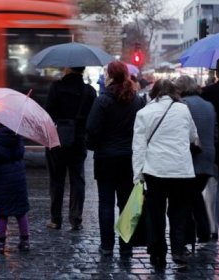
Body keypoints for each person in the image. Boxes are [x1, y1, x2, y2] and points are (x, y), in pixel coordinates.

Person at [132, 79, 198, 268]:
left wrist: (138, 177)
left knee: (155, 213)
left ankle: (157, 253)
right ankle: (178, 250)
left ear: (153, 93)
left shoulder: (143, 113)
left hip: (155, 170)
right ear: (174, 92)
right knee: (179, 213)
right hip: (181, 170)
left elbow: (138, 148)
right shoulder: (183, 109)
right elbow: (193, 135)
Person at [85, 61, 145, 257]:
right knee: (126, 204)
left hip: (106, 158)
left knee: (106, 203)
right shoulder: (136, 100)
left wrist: (94, 145)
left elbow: (92, 129)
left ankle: (107, 246)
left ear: (110, 76)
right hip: (128, 158)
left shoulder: (103, 100)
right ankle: (126, 246)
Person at [45, 66, 96, 231]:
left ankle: (55, 219)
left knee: (57, 180)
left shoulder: (56, 87)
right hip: (79, 140)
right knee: (77, 179)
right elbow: (92, 118)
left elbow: (48, 113)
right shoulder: (89, 91)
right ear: (82, 70)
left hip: (57, 138)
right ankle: (76, 220)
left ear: (67, 68)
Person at [175, 75, 216, 246]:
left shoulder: (183, 105)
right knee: (194, 194)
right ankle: (203, 231)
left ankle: (195, 232)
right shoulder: (208, 105)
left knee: (188, 196)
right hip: (208, 155)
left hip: (191, 156)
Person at [0, 121, 30, 254]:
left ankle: (1, 243)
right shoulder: (18, 136)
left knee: (2, 213)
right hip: (19, 179)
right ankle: (25, 241)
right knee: (21, 211)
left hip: (2, 180)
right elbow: (21, 153)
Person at [201, 59, 219, 242]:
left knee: (211, 189)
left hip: (214, 147)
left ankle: (213, 227)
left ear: (216, 73)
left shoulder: (207, 93)